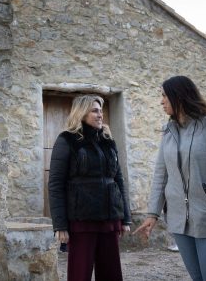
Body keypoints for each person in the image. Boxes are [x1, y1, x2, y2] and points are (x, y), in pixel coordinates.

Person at [134, 76, 206, 281]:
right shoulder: (168, 131)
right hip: (179, 220)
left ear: (178, 96)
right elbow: (160, 175)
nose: (161, 101)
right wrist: (152, 214)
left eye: (164, 95)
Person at [48, 94, 132, 281]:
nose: (100, 114)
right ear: (82, 113)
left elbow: (118, 179)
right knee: (80, 275)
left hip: (110, 219)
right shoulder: (66, 140)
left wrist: (125, 217)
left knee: (111, 274)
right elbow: (55, 184)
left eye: (101, 110)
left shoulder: (108, 141)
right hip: (82, 221)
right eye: (95, 110)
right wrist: (60, 224)